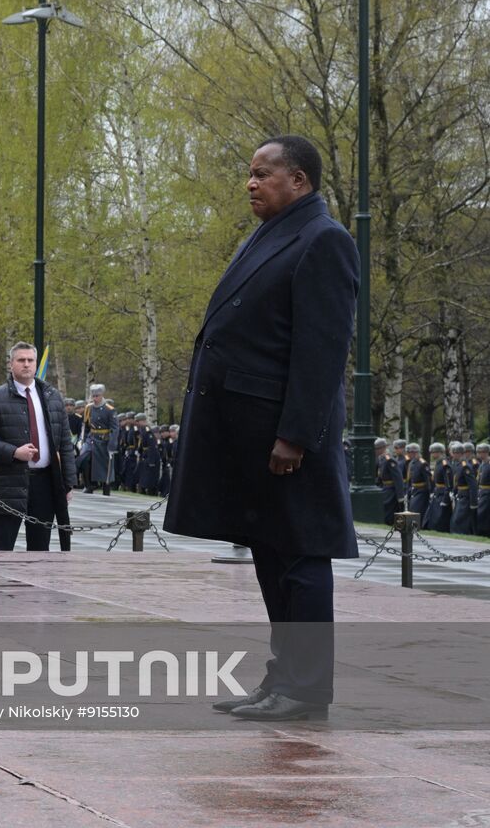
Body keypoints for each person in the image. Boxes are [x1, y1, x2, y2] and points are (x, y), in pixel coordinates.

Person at [165, 135, 358, 722]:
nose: (250, 183)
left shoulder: (323, 241)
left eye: (261, 174)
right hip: (251, 433)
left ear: (297, 180)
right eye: (248, 173)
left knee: (300, 560)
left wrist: (295, 435)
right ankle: (284, 679)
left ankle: (305, 688)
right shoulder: (272, 233)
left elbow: (321, 352)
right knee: (273, 559)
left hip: (287, 438)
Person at [0, 341, 76, 551]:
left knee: (40, 550)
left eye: (30, 360)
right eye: (21, 360)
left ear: (36, 364)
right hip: (9, 483)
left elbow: (65, 443)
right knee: (2, 546)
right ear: (11, 364)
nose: (26, 365)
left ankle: (35, 585)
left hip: (45, 483)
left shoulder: (52, 396)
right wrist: (14, 452)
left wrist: (68, 482)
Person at [81, 385, 117, 495]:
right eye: (93, 396)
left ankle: (106, 488)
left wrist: (112, 445)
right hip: (91, 439)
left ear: (102, 395)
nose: (95, 398)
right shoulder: (89, 408)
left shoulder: (109, 409)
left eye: (97, 396)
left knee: (105, 465)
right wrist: (83, 440)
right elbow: (86, 426)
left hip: (104, 440)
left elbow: (115, 429)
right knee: (84, 459)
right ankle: (89, 484)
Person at [375, 437, 404, 524]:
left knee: (389, 512)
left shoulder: (389, 460)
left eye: (377, 449)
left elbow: (398, 479)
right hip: (385, 488)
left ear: (383, 448)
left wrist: (400, 496)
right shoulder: (381, 459)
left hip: (391, 490)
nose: (376, 451)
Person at [451, 442, 475, 535]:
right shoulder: (459, 465)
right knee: (456, 518)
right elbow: (457, 482)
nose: (454, 455)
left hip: (465, 495)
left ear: (461, 453)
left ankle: (461, 534)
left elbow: (473, 485)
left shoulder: (465, 466)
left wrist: (473, 502)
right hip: (460, 494)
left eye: (456, 453)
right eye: (454, 452)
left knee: (460, 518)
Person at [427, 442, 452, 532]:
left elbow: (448, 483)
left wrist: (446, 499)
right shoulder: (438, 463)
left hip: (442, 493)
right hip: (437, 492)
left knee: (440, 517)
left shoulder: (444, 464)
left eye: (433, 452)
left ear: (439, 452)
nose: (432, 454)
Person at [404, 443, 430, 518]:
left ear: (415, 452)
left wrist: (430, 492)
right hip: (413, 489)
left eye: (409, 452)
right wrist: (407, 491)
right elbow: (410, 479)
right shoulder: (411, 463)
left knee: (417, 509)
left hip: (422, 490)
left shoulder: (422, 463)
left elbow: (427, 479)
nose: (408, 455)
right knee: (411, 508)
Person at [477, 444, 490, 537]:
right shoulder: (481, 464)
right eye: (479, 452)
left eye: (483, 452)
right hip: (482, 492)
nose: (481, 454)